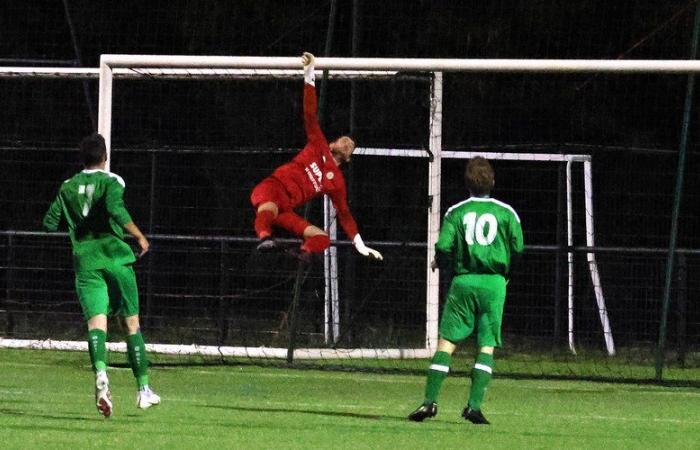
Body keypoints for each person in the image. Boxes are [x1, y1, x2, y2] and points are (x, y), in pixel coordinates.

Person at [43, 133, 160, 418]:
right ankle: (143, 389)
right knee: (131, 325)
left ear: (82, 158)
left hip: (86, 262)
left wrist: (76, 229)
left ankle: (101, 375)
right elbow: (114, 209)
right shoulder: (113, 181)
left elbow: (49, 222)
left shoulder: (67, 186)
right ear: (105, 156)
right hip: (116, 259)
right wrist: (140, 237)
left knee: (97, 323)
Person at [408, 157, 524, 424]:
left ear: (466, 183)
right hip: (494, 284)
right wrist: (506, 274)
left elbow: (444, 246)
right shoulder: (507, 212)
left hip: (464, 281)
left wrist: (443, 262)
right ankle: (473, 406)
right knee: (486, 346)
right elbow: (518, 249)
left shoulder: (456, 212)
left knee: (446, 343)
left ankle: (429, 403)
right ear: (492, 181)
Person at [250, 52, 382, 262]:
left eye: (352, 145)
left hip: (287, 207)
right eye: (344, 138)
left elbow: (345, 214)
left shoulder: (336, 181)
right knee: (270, 208)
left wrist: (359, 243)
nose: (349, 142)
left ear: (347, 158)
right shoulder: (318, 144)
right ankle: (264, 237)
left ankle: (302, 252)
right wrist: (309, 74)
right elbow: (309, 113)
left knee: (322, 237)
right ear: (332, 143)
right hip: (273, 188)